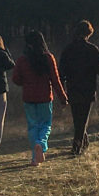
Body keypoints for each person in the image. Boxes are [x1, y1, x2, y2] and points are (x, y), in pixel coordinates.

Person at [12, 30, 69, 165]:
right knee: (45, 125)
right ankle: (41, 144)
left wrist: (25, 83)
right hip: (44, 97)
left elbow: (15, 79)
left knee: (33, 126)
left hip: (29, 98)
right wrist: (63, 97)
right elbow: (56, 80)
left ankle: (35, 157)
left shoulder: (22, 60)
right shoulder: (48, 58)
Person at [59, 20, 99, 156]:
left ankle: (83, 141)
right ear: (88, 34)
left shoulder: (68, 49)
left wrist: (61, 85)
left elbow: (61, 70)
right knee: (83, 118)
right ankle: (77, 146)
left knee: (78, 118)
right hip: (88, 88)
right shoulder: (92, 49)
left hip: (73, 87)